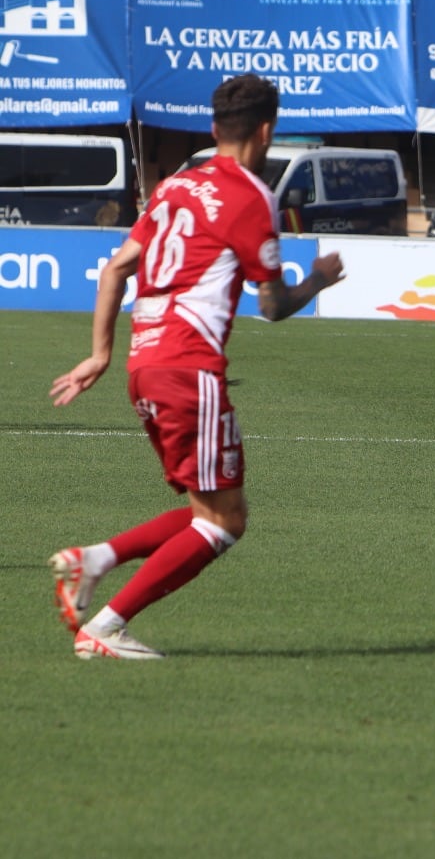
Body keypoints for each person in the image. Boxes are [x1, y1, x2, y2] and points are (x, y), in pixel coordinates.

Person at [48, 74, 345, 660]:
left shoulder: (174, 187)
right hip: (189, 368)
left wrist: (100, 354)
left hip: (144, 365)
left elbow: (113, 271)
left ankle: (92, 562)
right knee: (224, 522)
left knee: (205, 510)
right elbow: (273, 305)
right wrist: (318, 278)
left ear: (214, 129)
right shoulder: (250, 196)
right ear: (266, 130)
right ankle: (104, 628)